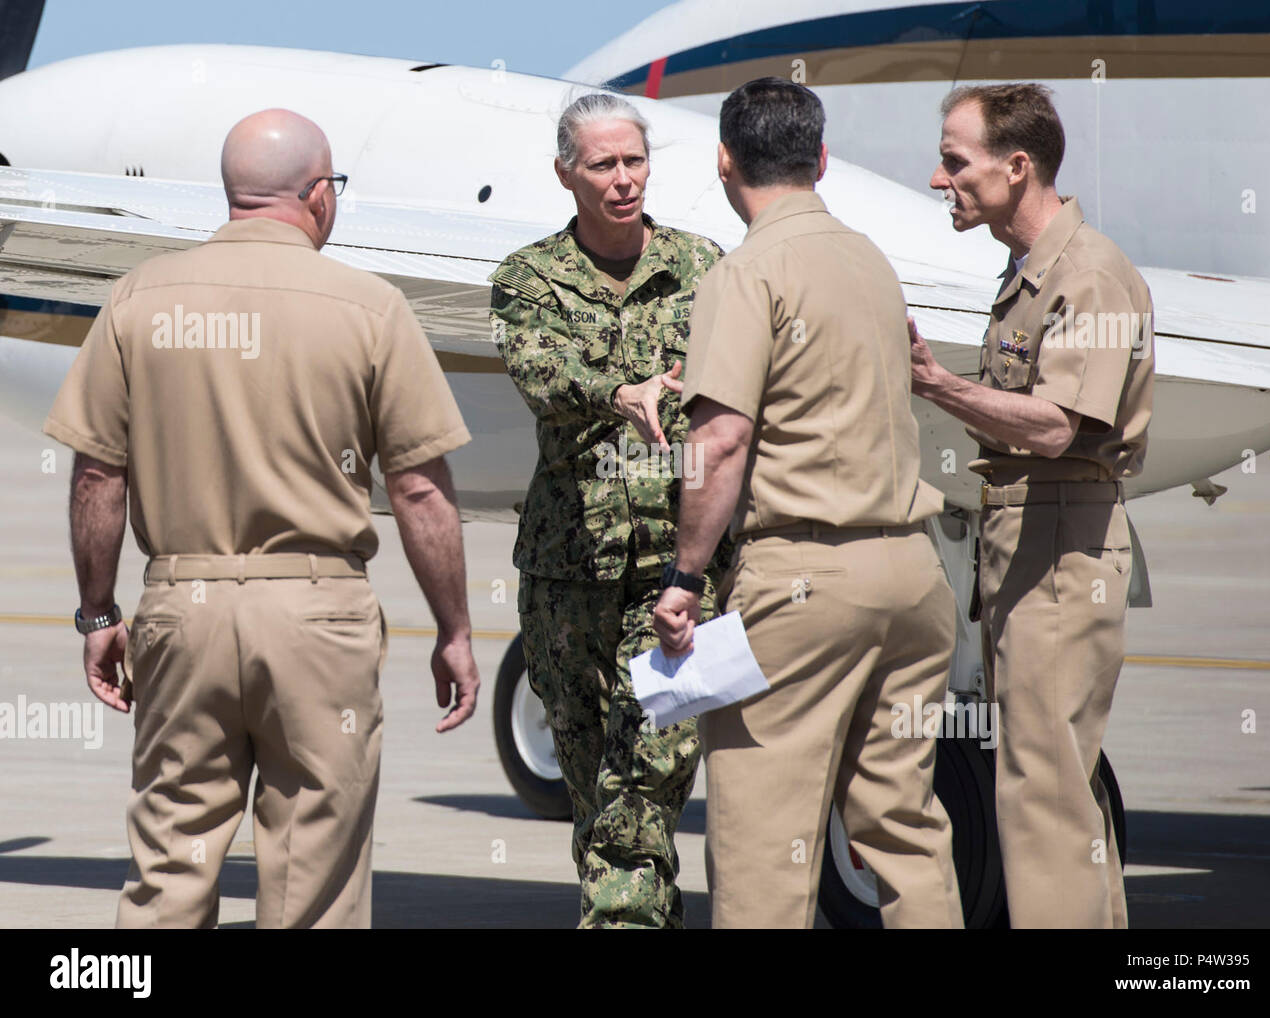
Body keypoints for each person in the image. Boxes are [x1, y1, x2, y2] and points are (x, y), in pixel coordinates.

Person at [43, 108, 480, 929]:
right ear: (318, 195)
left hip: (181, 611)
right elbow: (420, 489)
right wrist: (454, 628)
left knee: (170, 861)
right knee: (315, 878)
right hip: (318, 620)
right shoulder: (371, 308)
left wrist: (99, 612)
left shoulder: (140, 298)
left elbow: (98, 472)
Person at [653, 77, 964, 930]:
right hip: (909, 573)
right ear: (820, 159)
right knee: (903, 828)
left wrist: (684, 577)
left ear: (726, 161)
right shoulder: (870, 259)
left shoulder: (747, 272)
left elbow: (719, 444)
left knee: (764, 845)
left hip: (804, 584)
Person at [909, 83, 1154, 928]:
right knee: (1055, 788)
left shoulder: (1085, 276)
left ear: (1018, 167)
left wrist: (940, 387)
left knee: (1038, 793)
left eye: (955, 160)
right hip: (1032, 538)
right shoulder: (1032, 272)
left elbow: (1057, 426)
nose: (941, 179)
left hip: (1059, 538)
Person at [488, 91, 728, 928]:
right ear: (567, 174)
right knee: (596, 788)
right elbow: (538, 373)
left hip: (674, 575)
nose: (624, 180)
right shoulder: (529, 278)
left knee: (648, 774)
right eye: (603, 165)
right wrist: (615, 392)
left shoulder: (704, 268)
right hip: (568, 574)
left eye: (634, 161)